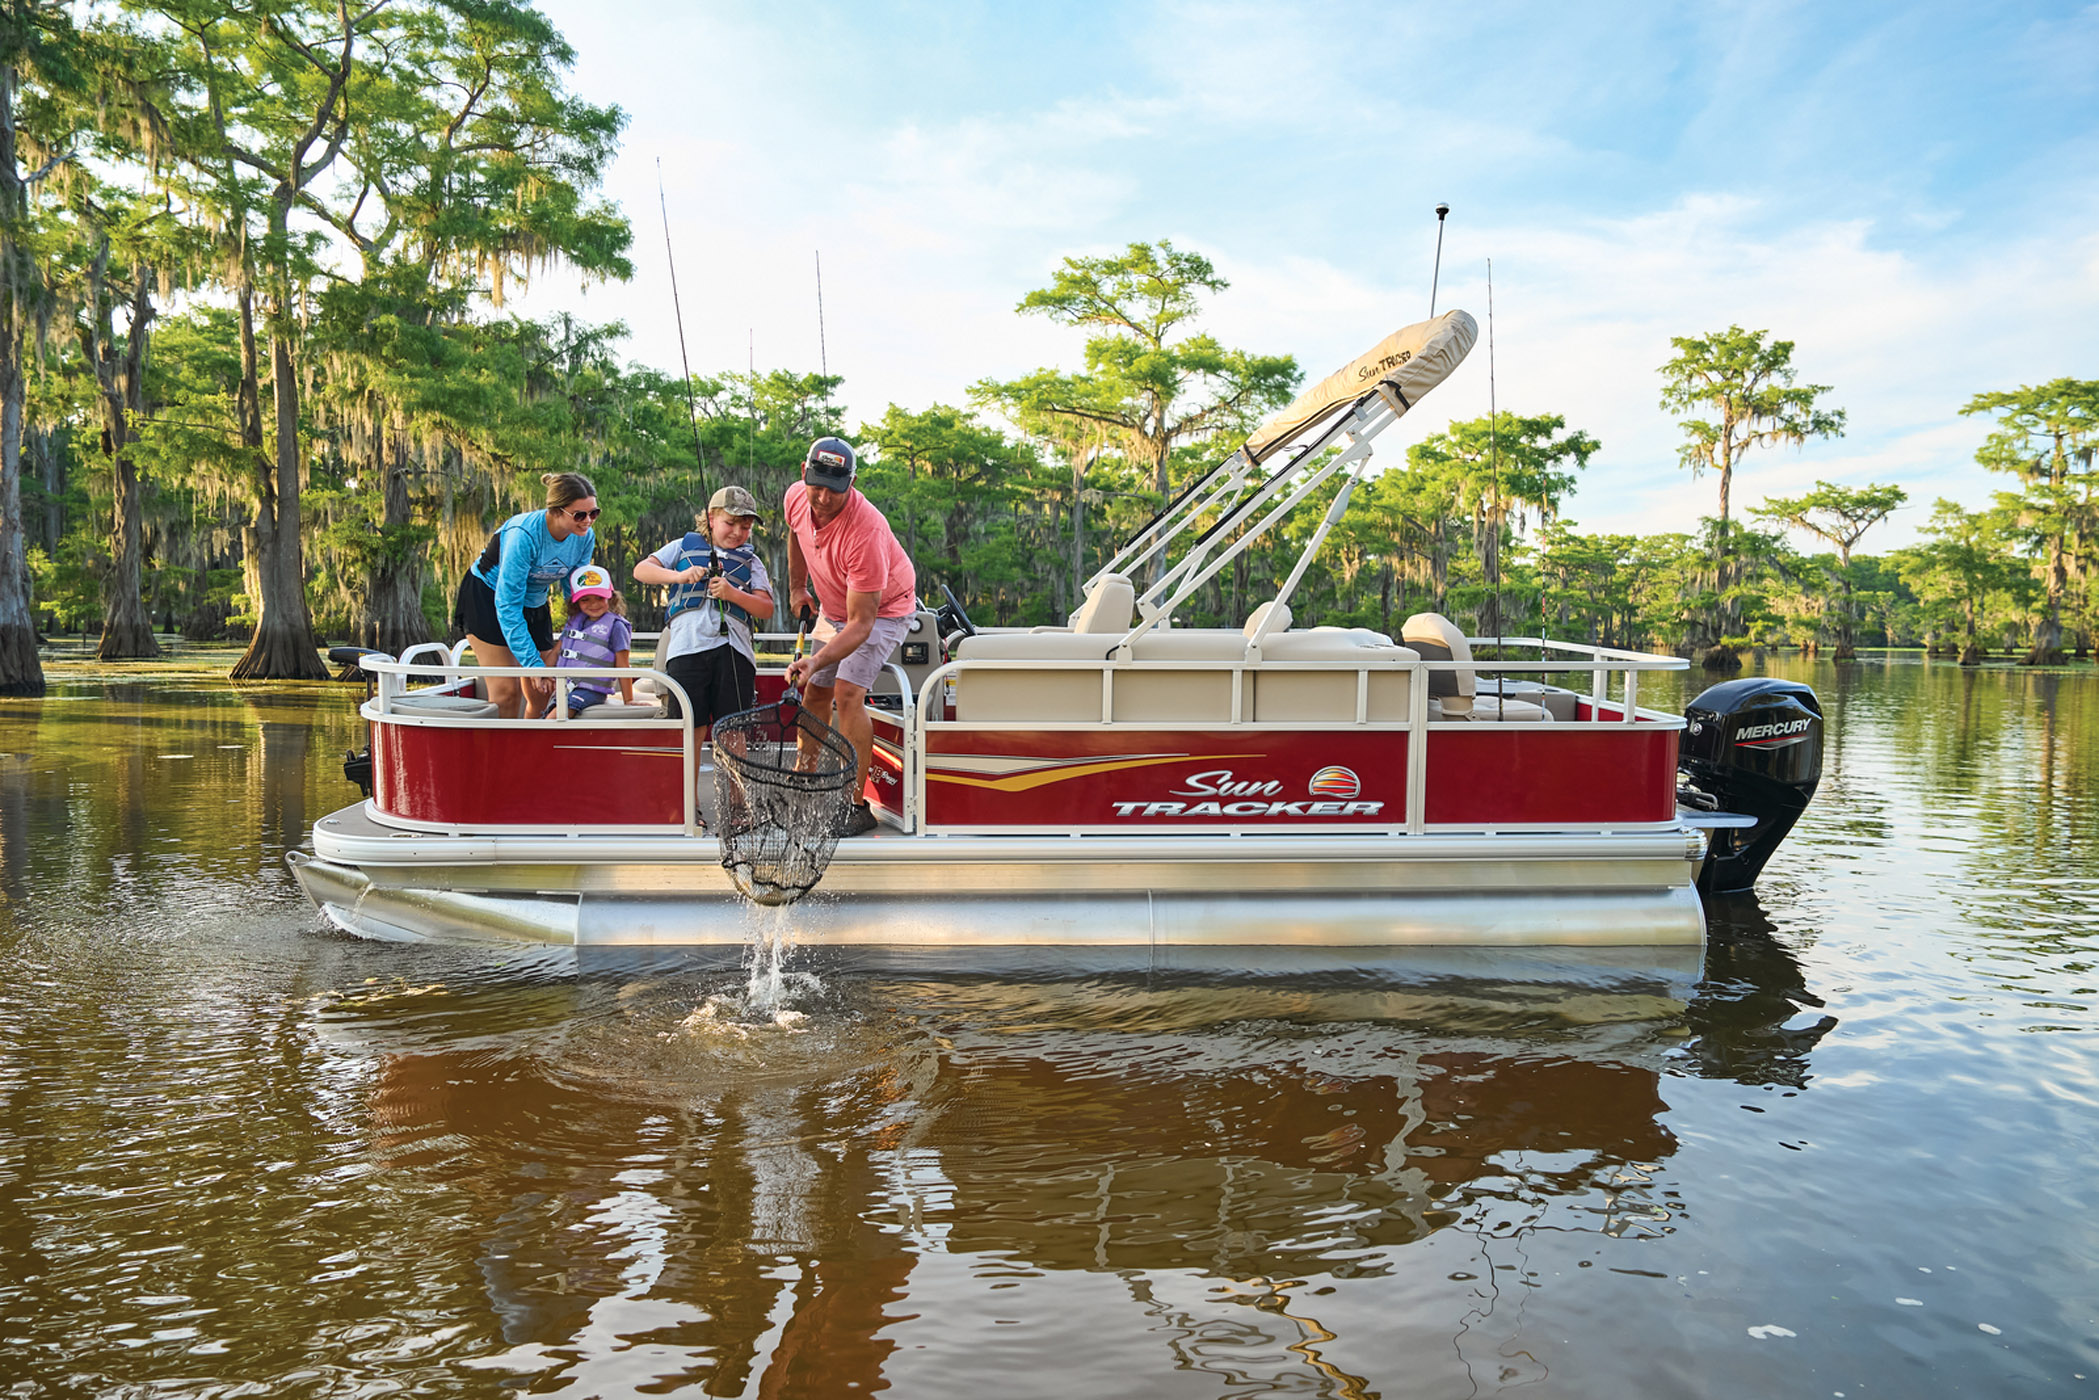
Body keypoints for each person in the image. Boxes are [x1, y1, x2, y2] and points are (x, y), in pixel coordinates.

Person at [782, 436, 918, 837]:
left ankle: (854, 804)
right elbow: (795, 532)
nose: (822, 498)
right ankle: (804, 775)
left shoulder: (867, 531)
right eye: (817, 485)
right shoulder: (795, 497)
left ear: (852, 482)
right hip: (833, 605)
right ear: (804, 472)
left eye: (835, 489)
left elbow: (861, 623)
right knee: (815, 691)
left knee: (846, 692)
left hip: (882, 612)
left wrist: (816, 659)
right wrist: (796, 587)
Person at [455, 472, 599, 718]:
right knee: (507, 692)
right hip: (487, 600)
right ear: (556, 511)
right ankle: (502, 754)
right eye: (580, 515)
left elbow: (573, 593)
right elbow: (507, 604)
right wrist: (533, 664)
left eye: (594, 513)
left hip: (534, 601)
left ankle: (530, 750)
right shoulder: (524, 535)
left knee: (544, 689)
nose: (588, 521)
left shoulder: (584, 538)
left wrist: (584, 631)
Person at [631, 485, 776, 727]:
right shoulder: (681, 546)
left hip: (734, 653)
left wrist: (733, 594)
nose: (738, 532)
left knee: (731, 730)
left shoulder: (753, 561)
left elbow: (766, 608)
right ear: (711, 518)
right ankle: (690, 767)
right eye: (730, 523)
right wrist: (679, 577)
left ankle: (731, 767)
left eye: (746, 527)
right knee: (690, 728)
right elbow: (641, 570)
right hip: (686, 650)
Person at [536, 565, 634, 718]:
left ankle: (539, 740)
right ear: (576, 603)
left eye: (600, 598)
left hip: (592, 691)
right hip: (565, 687)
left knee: (553, 718)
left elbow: (623, 665)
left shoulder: (616, 627)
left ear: (611, 598)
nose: (593, 604)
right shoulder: (574, 624)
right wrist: (546, 675)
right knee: (546, 715)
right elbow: (556, 652)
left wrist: (629, 701)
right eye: (585, 599)